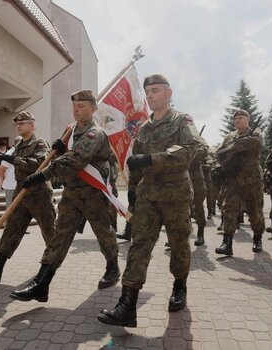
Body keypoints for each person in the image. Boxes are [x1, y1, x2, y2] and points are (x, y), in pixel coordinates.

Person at [97, 74, 200, 328]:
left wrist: (153, 160)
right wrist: (133, 189)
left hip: (176, 194)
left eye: (156, 90)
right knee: (139, 245)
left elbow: (191, 149)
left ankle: (179, 286)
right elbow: (136, 162)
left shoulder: (182, 121)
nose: (151, 96)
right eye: (148, 92)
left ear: (168, 92)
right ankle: (127, 305)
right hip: (148, 195)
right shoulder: (144, 127)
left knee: (178, 244)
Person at [9, 90, 120, 303]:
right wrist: (58, 149)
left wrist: (41, 175)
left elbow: (75, 160)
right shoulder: (71, 131)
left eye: (82, 105)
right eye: (74, 106)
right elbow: (64, 154)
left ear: (93, 109)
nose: (76, 109)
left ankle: (113, 268)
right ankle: (41, 284)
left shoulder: (95, 133)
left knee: (104, 233)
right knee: (60, 236)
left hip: (93, 194)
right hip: (72, 194)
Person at [0, 111, 56, 283]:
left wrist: (14, 159)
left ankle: (49, 270)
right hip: (21, 192)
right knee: (11, 230)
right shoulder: (20, 146)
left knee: (50, 233)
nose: (18, 126)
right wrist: (14, 158)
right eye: (17, 124)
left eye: (22, 123)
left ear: (32, 125)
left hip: (39, 194)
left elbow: (41, 164)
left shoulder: (39, 143)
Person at [214, 109, 265, 256]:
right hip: (233, 179)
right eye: (235, 119)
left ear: (248, 119)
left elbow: (254, 143)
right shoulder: (229, 136)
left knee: (254, 211)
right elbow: (219, 153)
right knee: (229, 210)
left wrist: (233, 148)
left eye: (241, 117)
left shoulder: (256, 132)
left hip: (252, 180)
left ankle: (257, 238)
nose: (237, 120)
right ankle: (227, 243)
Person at [189, 136, 209, 246]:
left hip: (196, 179)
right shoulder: (177, 136)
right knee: (180, 208)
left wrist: (186, 153)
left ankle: (200, 233)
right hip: (181, 177)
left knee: (199, 206)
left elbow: (204, 152)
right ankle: (179, 237)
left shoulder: (198, 138)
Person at [0, 136, 22, 207]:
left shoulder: (22, 152)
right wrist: (2, 181)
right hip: (11, 186)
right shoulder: (10, 153)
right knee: (11, 209)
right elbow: (1, 170)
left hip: (20, 186)